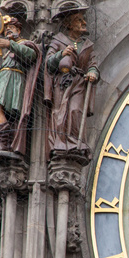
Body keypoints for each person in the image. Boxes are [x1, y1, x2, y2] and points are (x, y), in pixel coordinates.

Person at [0, 17, 43, 154]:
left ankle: (3, 141)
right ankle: (3, 142)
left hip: (15, 83)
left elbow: (31, 55)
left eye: (11, 28)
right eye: (6, 29)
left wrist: (9, 44)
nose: (8, 30)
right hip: (6, 81)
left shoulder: (25, 44)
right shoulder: (8, 53)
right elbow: (3, 73)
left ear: (18, 30)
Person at [44, 10, 100, 157]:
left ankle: (75, 142)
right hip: (62, 82)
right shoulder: (58, 40)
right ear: (69, 24)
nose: (84, 23)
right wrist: (60, 54)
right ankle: (60, 143)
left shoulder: (87, 44)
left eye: (83, 20)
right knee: (60, 112)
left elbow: (92, 63)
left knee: (76, 110)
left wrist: (93, 71)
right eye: (79, 20)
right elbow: (48, 63)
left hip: (80, 82)